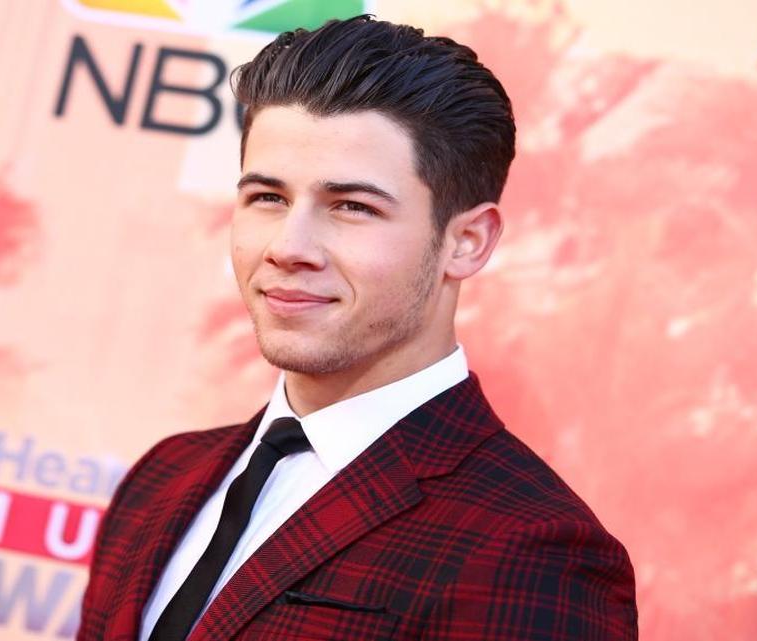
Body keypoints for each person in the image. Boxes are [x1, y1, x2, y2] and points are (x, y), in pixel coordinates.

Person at [78, 15, 637, 641]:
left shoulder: (532, 550)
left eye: (352, 206)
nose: (289, 247)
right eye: (268, 198)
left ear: (467, 242)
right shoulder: (163, 477)